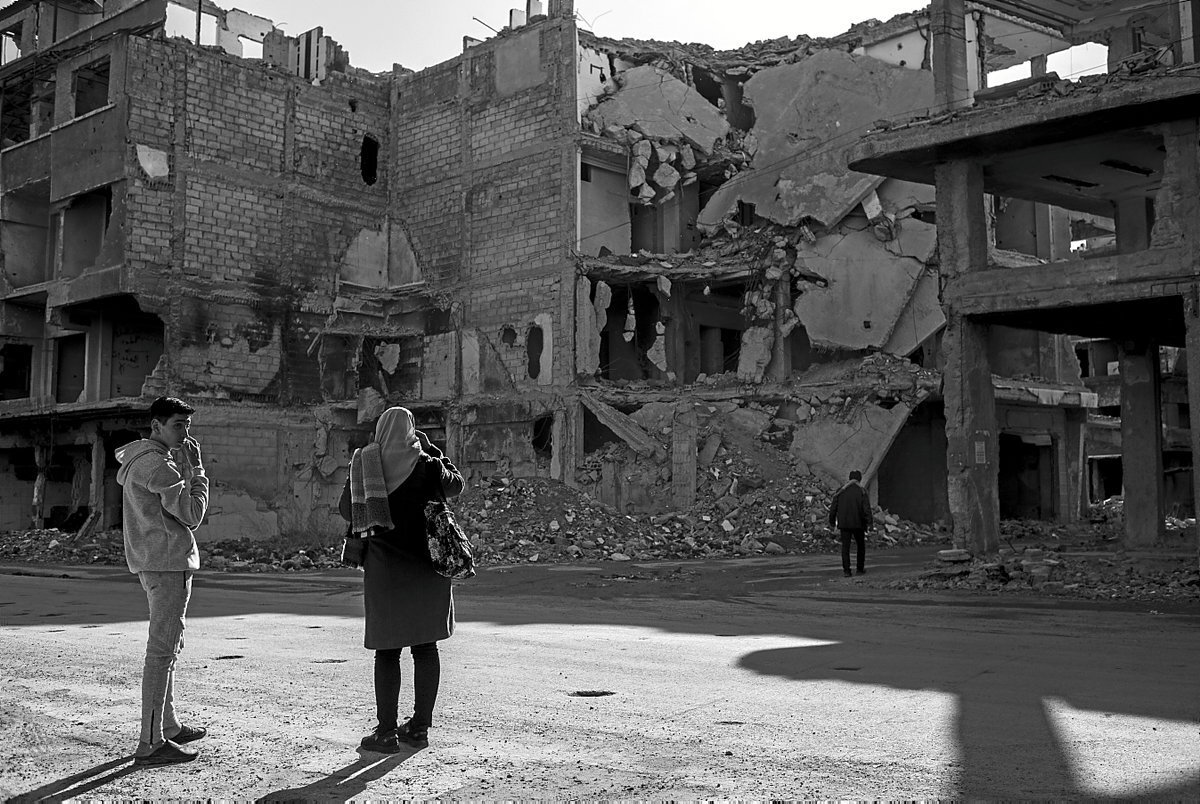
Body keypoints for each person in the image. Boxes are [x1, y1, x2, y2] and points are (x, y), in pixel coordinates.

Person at [339, 406, 465, 753]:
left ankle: (386, 733)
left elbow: (347, 510)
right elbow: (456, 485)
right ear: (412, 431)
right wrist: (433, 449)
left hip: (386, 570)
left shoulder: (365, 463)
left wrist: (358, 475)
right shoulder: (428, 465)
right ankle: (419, 729)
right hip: (428, 569)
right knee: (425, 648)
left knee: (387, 652)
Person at [115, 396, 210, 767]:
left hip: (153, 562)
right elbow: (192, 513)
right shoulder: (158, 465)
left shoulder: (140, 459)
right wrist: (198, 472)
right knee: (161, 652)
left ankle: (167, 726)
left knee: (167, 646)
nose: (184, 433)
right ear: (156, 425)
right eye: (177, 425)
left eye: (187, 425)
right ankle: (150, 742)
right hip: (167, 564)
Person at [828, 469, 872, 577]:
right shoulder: (862, 491)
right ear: (859, 479)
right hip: (858, 523)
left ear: (849, 478)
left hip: (844, 524)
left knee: (845, 547)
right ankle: (859, 569)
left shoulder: (841, 491)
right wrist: (869, 523)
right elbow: (866, 509)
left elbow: (833, 508)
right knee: (860, 546)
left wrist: (832, 522)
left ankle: (847, 571)